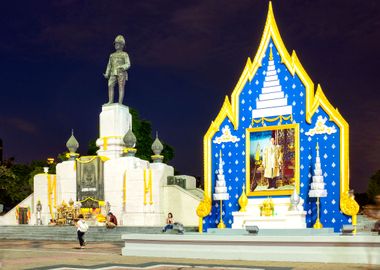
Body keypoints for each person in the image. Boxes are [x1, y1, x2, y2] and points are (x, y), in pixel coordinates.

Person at [104, 35, 131, 105]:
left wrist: (122, 67)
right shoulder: (112, 55)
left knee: (121, 87)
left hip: (121, 73)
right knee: (110, 85)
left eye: (118, 43)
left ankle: (120, 102)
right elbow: (109, 65)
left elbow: (128, 64)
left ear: (122, 45)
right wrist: (107, 73)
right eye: (115, 43)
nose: (116, 45)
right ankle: (110, 101)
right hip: (113, 73)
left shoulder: (125, 54)